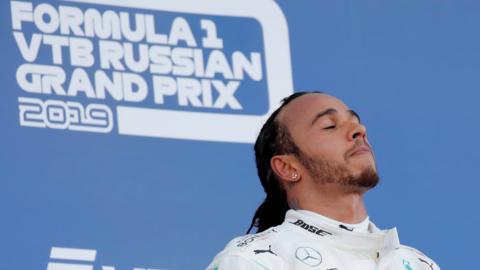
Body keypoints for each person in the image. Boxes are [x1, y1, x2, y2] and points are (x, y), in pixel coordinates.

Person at [207, 91, 440, 270]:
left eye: (355, 121)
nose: (359, 129)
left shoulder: (417, 263)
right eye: (329, 125)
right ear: (288, 167)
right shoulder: (251, 261)